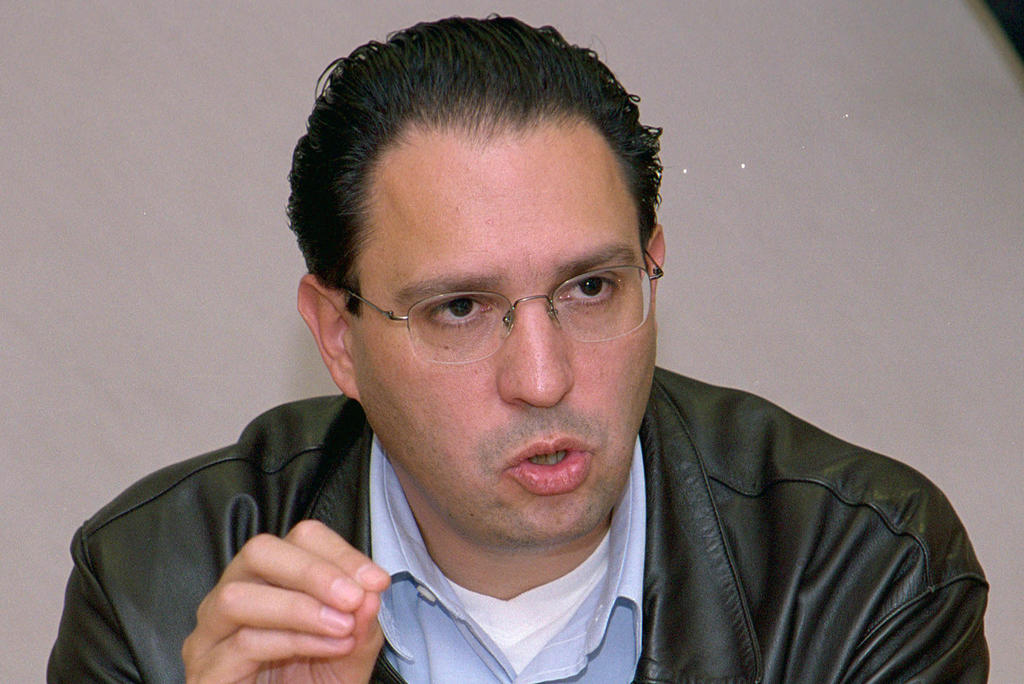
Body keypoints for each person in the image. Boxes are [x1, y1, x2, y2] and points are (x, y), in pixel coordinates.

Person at [49, 15, 988, 684]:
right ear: (339, 335)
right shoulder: (156, 587)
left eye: (591, 289)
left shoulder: (864, 567)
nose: (544, 379)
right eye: (460, 308)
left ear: (652, 266)